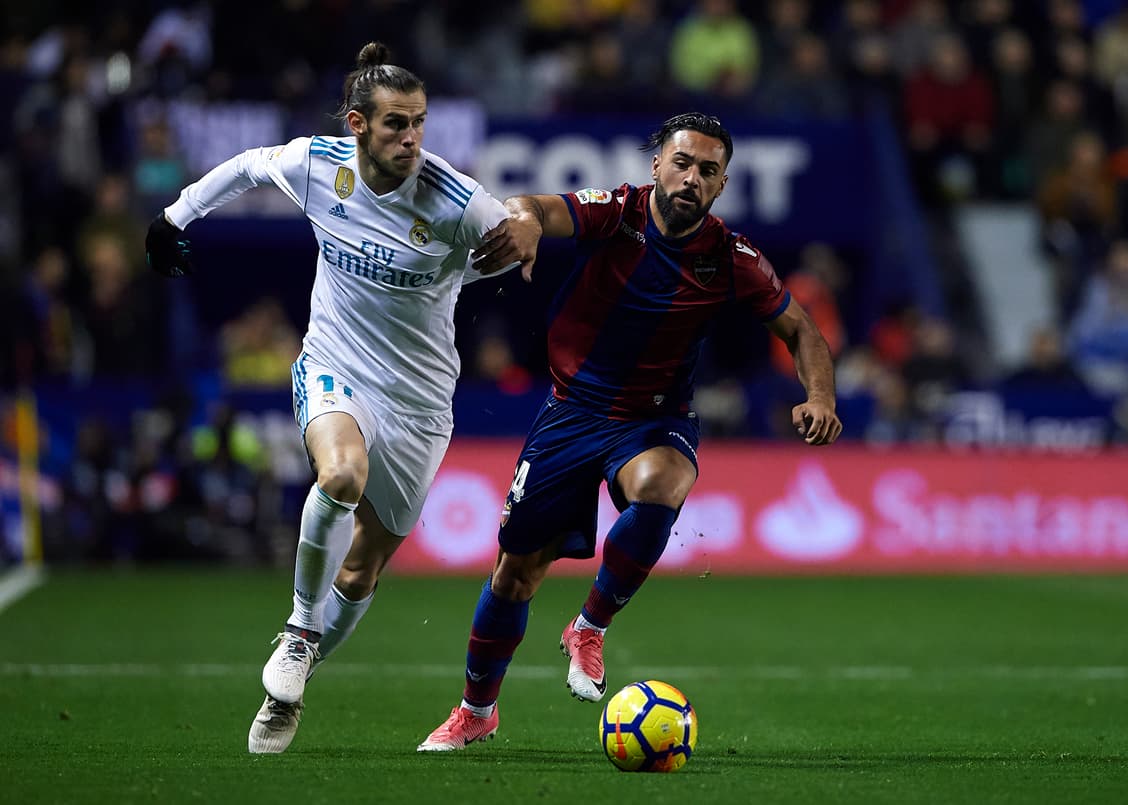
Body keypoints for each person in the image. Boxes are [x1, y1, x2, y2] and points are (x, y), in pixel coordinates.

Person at [417, 112, 843, 751]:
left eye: (707, 170)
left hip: (655, 417)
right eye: (682, 163)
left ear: (722, 185)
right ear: (657, 167)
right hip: (570, 413)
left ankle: (589, 626)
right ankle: (477, 709)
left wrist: (820, 396)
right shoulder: (615, 213)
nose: (691, 178)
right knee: (515, 576)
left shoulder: (732, 258)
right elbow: (535, 204)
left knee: (664, 484)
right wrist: (527, 222)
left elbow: (801, 330)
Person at [144, 42, 515, 754]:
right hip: (336, 363)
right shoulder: (319, 165)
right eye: (396, 124)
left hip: (420, 400)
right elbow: (251, 164)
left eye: (420, 123)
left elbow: (518, 227)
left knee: (364, 564)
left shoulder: (455, 199)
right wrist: (174, 217)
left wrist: (521, 232)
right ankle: (298, 629)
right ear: (357, 124)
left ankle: (302, 667)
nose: (412, 138)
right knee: (340, 474)